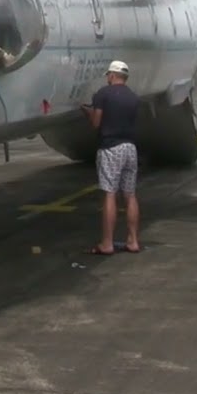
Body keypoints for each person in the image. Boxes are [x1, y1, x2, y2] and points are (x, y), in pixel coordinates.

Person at [81, 60, 142, 255]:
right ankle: (133, 241)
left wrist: (87, 111)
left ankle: (107, 243)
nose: (107, 77)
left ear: (113, 75)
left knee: (109, 194)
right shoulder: (133, 97)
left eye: (108, 74)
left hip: (111, 148)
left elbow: (96, 123)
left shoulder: (103, 94)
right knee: (130, 195)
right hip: (130, 148)